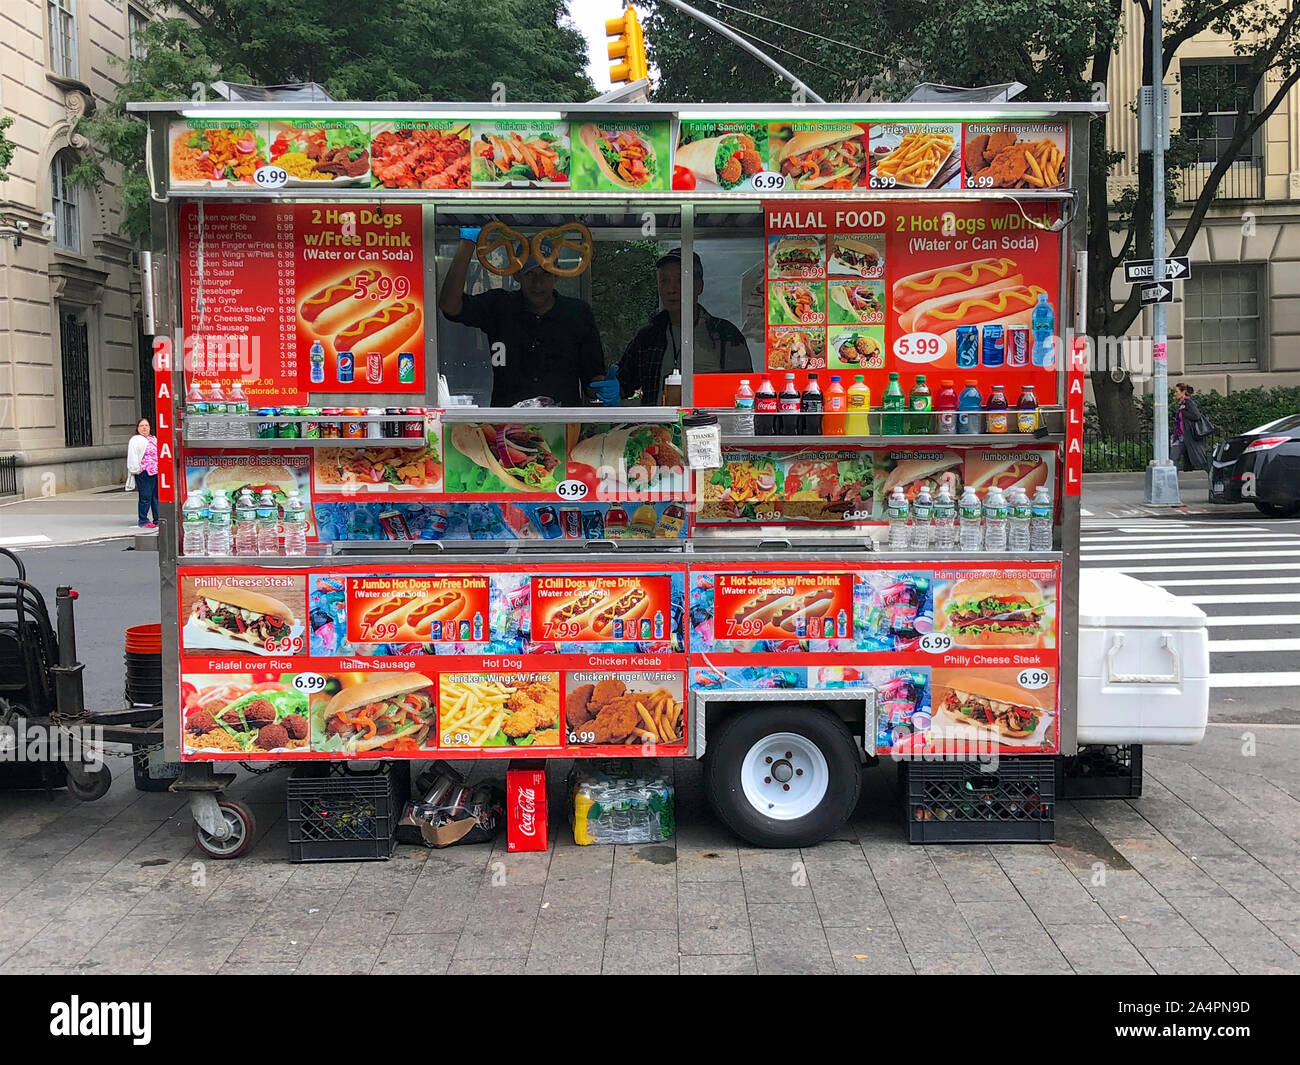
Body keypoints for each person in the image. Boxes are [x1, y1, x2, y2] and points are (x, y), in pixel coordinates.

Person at [439, 226, 617, 406]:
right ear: (517, 275)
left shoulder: (578, 313)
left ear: (558, 274)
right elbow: (450, 306)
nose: (537, 282)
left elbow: (592, 379)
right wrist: (468, 243)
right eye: (529, 273)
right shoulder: (499, 306)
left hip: (564, 425)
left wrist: (606, 387)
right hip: (506, 425)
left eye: (545, 273)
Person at [622, 248, 753, 405]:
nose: (671, 290)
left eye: (680, 280)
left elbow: (743, 392)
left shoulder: (725, 335)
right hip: (659, 427)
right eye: (664, 281)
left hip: (710, 426)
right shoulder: (649, 336)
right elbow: (623, 384)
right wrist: (608, 386)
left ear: (699, 286)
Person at [127, 418, 159, 530]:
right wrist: (136, 470)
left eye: (146, 425)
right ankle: (143, 519)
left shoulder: (154, 439)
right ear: (138, 428)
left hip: (156, 472)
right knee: (145, 497)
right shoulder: (135, 440)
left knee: (156, 497)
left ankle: (157, 519)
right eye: (142, 426)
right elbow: (132, 456)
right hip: (144, 472)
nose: (144, 428)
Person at [1171, 382, 1210, 472]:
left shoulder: (1188, 403)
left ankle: (1213, 475)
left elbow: (1196, 416)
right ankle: (1172, 482)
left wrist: (1183, 411)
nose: (1175, 394)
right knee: (1173, 458)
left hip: (1189, 437)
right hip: (1179, 436)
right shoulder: (1181, 403)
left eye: (1177, 391)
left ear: (1183, 392)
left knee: (1200, 459)